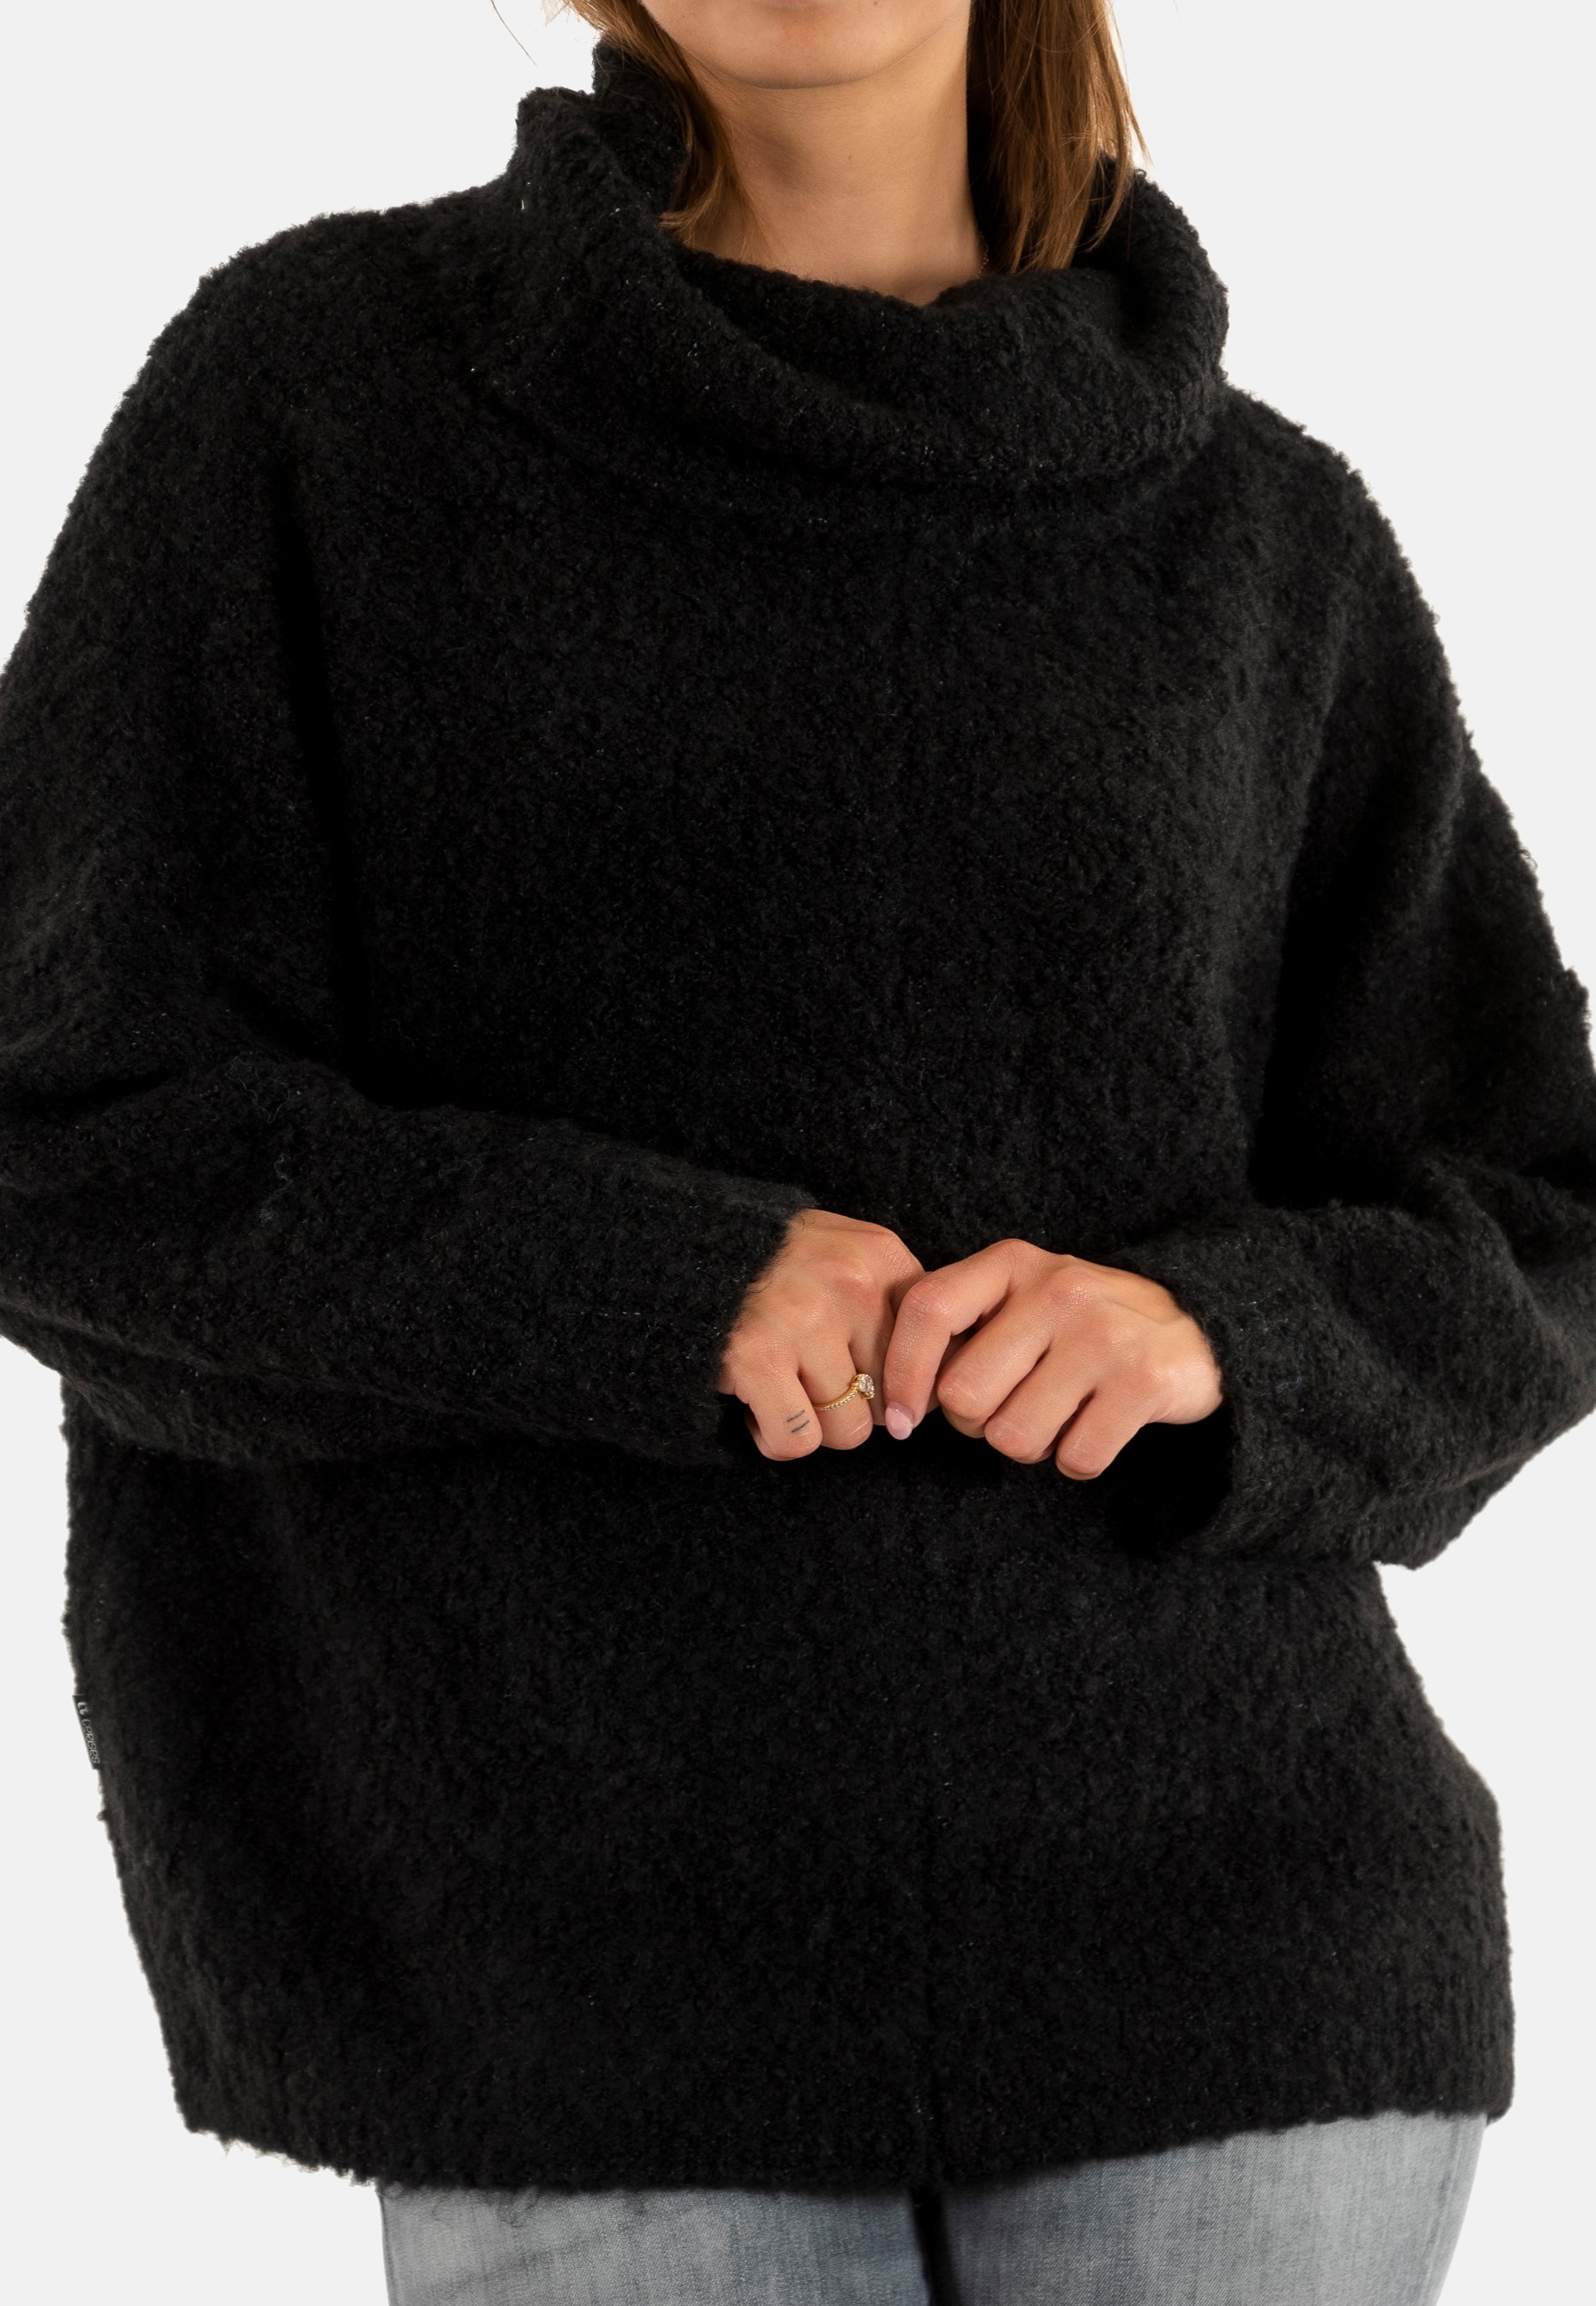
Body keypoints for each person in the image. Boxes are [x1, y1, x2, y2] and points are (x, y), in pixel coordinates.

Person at [1, 0, 1592, 2298]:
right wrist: (640, 1287)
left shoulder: (1263, 535)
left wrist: (1222, 1340)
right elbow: (66, 1119)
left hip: (1247, 1966)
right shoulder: (323, 401)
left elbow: (1540, 1206)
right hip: (571, 1978)